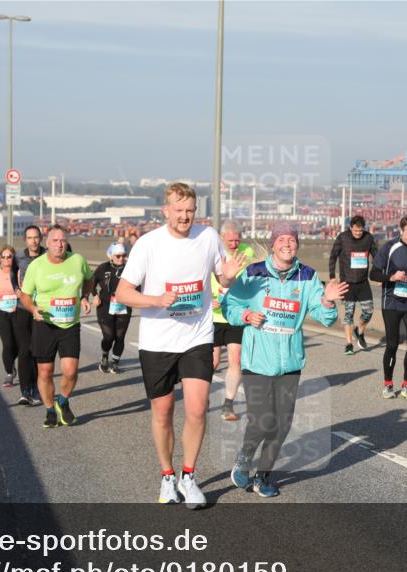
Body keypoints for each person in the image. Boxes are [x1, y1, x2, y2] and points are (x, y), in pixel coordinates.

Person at [115, 182, 245, 509]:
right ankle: (167, 475)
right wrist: (156, 299)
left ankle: (189, 476)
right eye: (179, 210)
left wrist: (228, 277)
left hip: (197, 336)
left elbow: (222, 276)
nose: (185, 216)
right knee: (163, 412)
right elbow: (123, 293)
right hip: (158, 340)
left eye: (190, 210)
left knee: (198, 408)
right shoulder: (148, 245)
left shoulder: (208, 237)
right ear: (166, 211)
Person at [222, 223, 347, 497]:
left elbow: (326, 317)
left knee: (282, 424)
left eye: (292, 239)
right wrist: (245, 316)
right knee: (260, 421)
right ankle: (244, 459)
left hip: (290, 363)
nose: (288, 244)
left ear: (297, 244)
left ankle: (263, 475)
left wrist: (327, 301)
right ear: (274, 243)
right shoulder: (254, 274)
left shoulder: (307, 276)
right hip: (257, 361)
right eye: (282, 239)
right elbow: (229, 305)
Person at [18, 226, 93, 428]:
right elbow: (24, 295)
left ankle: (63, 401)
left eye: (62, 240)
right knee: (46, 371)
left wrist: (85, 296)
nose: (59, 244)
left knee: (70, 371)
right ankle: (50, 410)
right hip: (45, 324)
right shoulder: (37, 266)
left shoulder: (78, 261)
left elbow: (89, 279)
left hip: (69, 324)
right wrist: (33, 308)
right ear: (47, 243)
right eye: (54, 241)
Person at [370, 216, 407, 400]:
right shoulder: (390, 248)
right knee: (392, 345)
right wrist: (391, 277)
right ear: (401, 230)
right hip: (392, 303)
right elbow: (373, 274)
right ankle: (388, 385)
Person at [211, 220, 256, 421]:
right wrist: (207, 301)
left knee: (235, 359)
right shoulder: (213, 250)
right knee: (211, 362)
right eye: (230, 240)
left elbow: (254, 278)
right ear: (222, 238)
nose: (234, 244)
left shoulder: (247, 252)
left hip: (236, 314)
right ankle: (200, 393)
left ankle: (227, 405)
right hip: (213, 315)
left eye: (238, 240)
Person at [329, 214, 379, 355]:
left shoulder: (368, 238)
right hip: (347, 282)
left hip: (363, 282)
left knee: (368, 311)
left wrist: (379, 273)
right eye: (356, 230)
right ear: (350, 227)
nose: (358, 233)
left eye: (360, 230)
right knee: (348, 314)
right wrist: (332, 276)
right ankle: (349, 344)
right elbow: (333, 256)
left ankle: (360, 331)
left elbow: (376, 256)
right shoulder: (343, 238)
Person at [91, 243, 132, 374]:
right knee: (109, 336)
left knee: (120, 337)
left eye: (123, 256)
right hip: (105, 306)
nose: (121, 258)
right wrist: (94, 295)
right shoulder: (103, 268)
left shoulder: (130, 269)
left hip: (123, 306)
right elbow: (91, 284)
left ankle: (115, 363)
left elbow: (138, 286)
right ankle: (104, 356)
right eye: (118, 256)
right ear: (111, 256)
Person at [14, 225, 44, 406]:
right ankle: (25, 391)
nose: (33, 241)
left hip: (42, 309)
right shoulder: (19, 256)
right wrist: (16, 289)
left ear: (41, 238)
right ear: (25, 240)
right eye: (30, 237)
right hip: (23, 308)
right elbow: (11, 274)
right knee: (24, 351)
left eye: (36, 237)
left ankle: (37, 387)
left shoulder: (48, 255)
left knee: (38, 351)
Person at [0, 246, 21, 387]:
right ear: (0, 259)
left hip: (18, 311)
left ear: (14, 258)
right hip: (1, 311)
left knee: (19, 344)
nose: (6, 259)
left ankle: (11, 363)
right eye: (3, 257)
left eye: (9, 256)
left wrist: (19, 303)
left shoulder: (20, 274)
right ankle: (9, 372)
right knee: (8, 343)